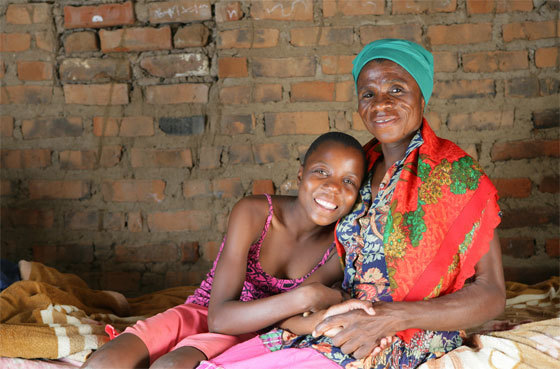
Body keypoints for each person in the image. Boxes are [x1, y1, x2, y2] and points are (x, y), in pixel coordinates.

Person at [195, 39, 506, 369]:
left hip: (408, 334)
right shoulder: (358, 170)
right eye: (368, 93)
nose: (380, 104)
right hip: (341, 324)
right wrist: (304, 310)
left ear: (422, 95)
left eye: (397, 89)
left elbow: (491, 293)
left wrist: (391, 317)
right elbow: (335, 260)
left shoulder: (456, 175)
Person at [81, 131, 367, 369]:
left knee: (169, 366)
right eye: (321, 172)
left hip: (255, 332)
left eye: (348, 181)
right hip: (205, 311)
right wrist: (308, 297)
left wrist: (312, 307)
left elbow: (287, 321)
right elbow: (218, 317)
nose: (332, 188)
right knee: (103, 363)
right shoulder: (255, 213)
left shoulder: (338, 247)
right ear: (301, 173)